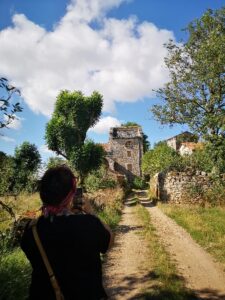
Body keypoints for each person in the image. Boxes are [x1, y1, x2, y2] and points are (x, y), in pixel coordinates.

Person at [21, 165, 113, 300]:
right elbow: (109, 242)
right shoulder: (88, 224)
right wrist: (91, 212)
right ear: (71, 195)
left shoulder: (31, 230)